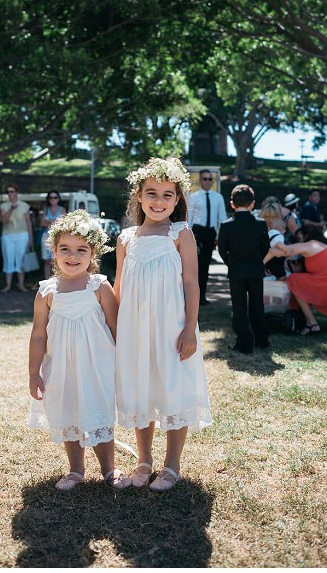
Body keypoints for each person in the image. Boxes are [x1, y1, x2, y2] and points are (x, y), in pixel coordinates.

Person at [114, 157, 212, 492]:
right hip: (135, 327)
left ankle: (172, 464)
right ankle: (144, 460)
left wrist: (189, 328)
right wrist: (111, 328)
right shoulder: (126, 238)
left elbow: (191, 284)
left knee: (172, 386)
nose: (159, 201)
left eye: (167, 195)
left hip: (172, 325)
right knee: (141, 387)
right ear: (138, 196)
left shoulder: (180, 233)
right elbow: (118, 288)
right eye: (151, 193)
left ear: (177, 200)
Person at [28, 210, 128, 491]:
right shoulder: (47, 292)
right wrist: (33, 371)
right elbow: (38, 334)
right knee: (67, 413)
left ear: (93, 253)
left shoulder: (98, 285)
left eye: (81, 250)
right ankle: (76, 470)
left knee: (99, 412)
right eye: (65, 249)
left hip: (96, 364)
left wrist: (125, 362)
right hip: (60, 366)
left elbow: (115, 325)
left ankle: (109, 469)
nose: (72, 256)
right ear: (54, 251)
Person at [270, 226, 327, 335]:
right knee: (312, 288)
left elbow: (286, 251)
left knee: (294, 281)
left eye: (300, 238)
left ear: (306, 236)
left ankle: (311, 323)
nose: (299, 242)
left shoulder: (310, 245)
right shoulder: (325, 246)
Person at [217, 185, 271, 354]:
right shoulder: (260, 224)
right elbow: (265, 247)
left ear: (232, 204)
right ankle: (261, 340)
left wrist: (231, 263)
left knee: (239, 307)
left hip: (236, 271)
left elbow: (221, 249)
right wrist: (257, 261)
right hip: (255, 269)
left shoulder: (226, 226)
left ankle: (244, 342)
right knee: (257, 306)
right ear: (252, 204)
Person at [187, 169, 224, 305]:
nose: (207, 181)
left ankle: (202, 296)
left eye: (209, 179)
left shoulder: (218, 197)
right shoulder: (193, 197)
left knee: (205, 266)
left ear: (212, 181)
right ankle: (192, 297)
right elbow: (189, 218)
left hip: (210, 233)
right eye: (204, 179)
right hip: (197, 232)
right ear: (200, 180)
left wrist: (220, 238)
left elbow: (222, 218)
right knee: (194, 266)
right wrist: (188, 236)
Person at [0, 184, 34, 293]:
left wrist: (31, 237)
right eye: (8, 192)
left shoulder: (24, 206)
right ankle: (8, 285)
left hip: (22, 235)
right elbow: (3, 221)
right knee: (8, 259)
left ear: (17, 192)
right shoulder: (3, 206)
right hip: (8, 235)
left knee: (20, 259)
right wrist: (11, 209)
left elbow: (28, 223)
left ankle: (21, 285)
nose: (10, 194)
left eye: (12, 191)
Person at [258, 196, 299, 278]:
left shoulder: (286, 216)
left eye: (272, 217)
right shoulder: (259, 223)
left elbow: (298, 235)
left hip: (286, 253)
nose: (269, 220)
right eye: (267, 216)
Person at [38, 190, 66, 278]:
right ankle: (47, 280)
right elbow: (42, 224)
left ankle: (57, 280)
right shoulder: (46, 210)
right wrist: (55, 222)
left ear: (58, 199)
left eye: (55, 197)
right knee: (47, 260)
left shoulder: (62, 209)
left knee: (57, 259)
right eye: (51, 197)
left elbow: (63, 224)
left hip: (58, 237)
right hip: (46, 236)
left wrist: (48, 222)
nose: (53, 199)